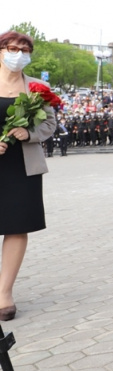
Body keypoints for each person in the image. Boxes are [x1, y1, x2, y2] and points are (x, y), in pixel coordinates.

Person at [0, 31, 56, 321]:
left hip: (22, 166)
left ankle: (4, 292)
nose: (18, 54)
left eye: (25, 50)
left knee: (16, 225)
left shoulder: (36, 86)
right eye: (12, 48)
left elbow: (50, 123)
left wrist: (29, 133)